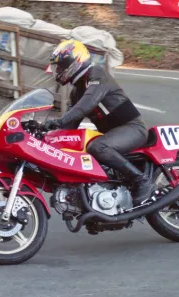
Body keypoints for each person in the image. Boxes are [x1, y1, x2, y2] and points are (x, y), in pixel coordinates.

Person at [43, 39, 155, 207]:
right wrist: (45, 137)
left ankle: (142, 180)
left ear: (75, 61)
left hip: (133, 128)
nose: (58, 71)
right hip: (113, 135)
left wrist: (59, 120)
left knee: (97, 147)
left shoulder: (97, 73)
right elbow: (69, 127)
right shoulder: (76, 92)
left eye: (61, 66)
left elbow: (87, 103)